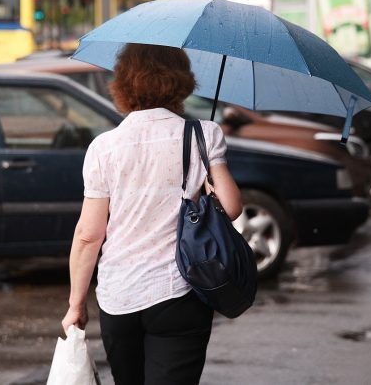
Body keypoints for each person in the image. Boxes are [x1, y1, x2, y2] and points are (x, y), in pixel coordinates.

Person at [61, 43, 243, 385]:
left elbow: (88, 234)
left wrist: (76, 304)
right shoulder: (203, 134)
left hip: (119, 297)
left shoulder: (104, 147)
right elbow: (232, 207)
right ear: (181, 82)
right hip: (181, 291)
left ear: (124, 84)